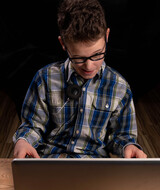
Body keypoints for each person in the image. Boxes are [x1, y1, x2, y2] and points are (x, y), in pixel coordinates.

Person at [13, 0, 147, 158]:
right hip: (51, 165)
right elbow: (33, 126)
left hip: (96, 170)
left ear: (107, 36)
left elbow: (122, 136)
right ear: (63, 44)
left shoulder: (120, 87)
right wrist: (23, 141)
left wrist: (128, 146)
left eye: (97, 54)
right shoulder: (44, 79)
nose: (89, 66)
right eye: (79, 58)